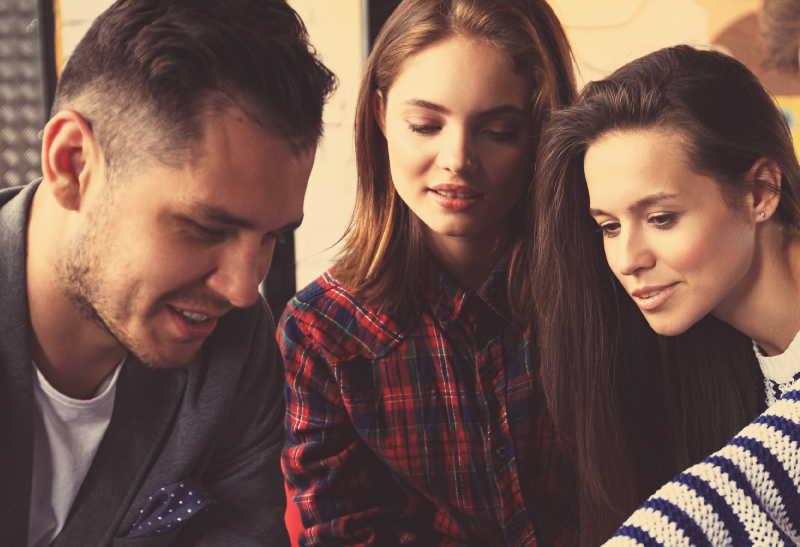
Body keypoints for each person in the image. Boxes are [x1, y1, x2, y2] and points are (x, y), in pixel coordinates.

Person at [0, 0, 336, 545]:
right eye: (206, 227)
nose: (244, 289)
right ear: (73, 164)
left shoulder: (236, 346)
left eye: (272, 236)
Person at [278, 0, 579, 545]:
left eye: (499, 131)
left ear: (543, 132)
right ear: (380, 116)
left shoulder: (602, 290)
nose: (457, 158)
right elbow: (342, 532)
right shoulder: (321, 330)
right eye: (425, 124)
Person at [527, 45, 800, 546]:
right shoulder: (716, 365)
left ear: (761, 192)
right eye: (608, 226)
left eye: (660, 218)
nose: (628, 259)